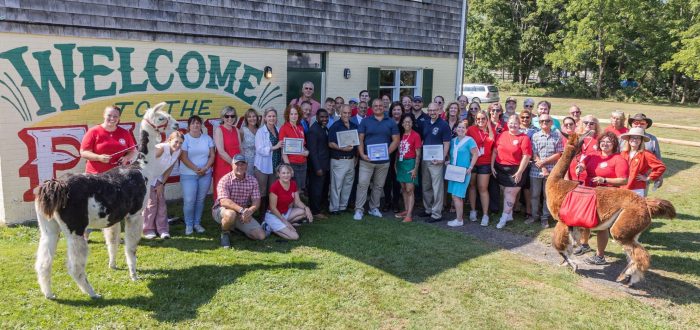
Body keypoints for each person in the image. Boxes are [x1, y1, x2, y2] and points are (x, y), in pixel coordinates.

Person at [80, 105, 138, 240]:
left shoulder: (124, 133)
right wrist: (99, 158)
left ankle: (114, 236)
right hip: (95, 177)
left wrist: (126, 158)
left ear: (119, 118)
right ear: (104, 115)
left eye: (115, 116)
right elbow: (83, 152)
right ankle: (85, 232)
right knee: (92, 206)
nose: (112, 118)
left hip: (117, 178)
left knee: (115, 206)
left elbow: (132, 150)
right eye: (109, 115)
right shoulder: (94, 132)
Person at [572, 131, 629, 264]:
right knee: (584, 220)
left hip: (607, 196)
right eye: (603, 141)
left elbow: (624, 180)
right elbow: (582, 164)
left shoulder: (619, 159)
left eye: (608, 142)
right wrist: (579, 168)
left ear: (614, 144)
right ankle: (584, 245)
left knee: (602, 226)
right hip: (589, 192)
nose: (605, 144)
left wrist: (604, 179)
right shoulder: (592, 155)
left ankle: (600, 256)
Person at [354, 98, 400, 220]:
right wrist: (362, 154)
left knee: (379, 186)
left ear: (384, 107)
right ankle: (359, 210)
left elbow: (396, 140)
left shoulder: (390, 122)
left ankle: (374, 208)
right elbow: (360, 139)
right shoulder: (365, 121)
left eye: (380, 105)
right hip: (366, 160)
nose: (378, 107)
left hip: (383, 162)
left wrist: (386, 153)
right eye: (375, 105)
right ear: (371, 107)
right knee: (363, 185)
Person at [213, 154, 266, 248]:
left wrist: (250, 211)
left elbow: (256, 201)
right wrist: (242, 210)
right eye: (237, 164)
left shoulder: (252, 180)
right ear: (232, 165)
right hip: (222, 210)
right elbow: (224, 202)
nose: (240, 167)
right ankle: (225, 233)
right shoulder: (225, 179)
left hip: (243, 212)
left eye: (242, 164)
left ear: (247, 165)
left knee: (260, 236)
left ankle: (235, 227)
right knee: (231, 214)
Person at [491, 114, 532, 229]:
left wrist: (519, 172)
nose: (513, 125)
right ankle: (509, 215)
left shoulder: (524, 138)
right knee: (506, 192)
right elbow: (495, 151)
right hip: (500, 168)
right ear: (507, 124)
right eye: (510, 123)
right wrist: (492, 165)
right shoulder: (502, 135)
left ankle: (503, 218)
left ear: (519, 124)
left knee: (510, 193)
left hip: (516, 170)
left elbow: (526, 156)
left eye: (515, 123)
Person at [142, 131, 184, 239]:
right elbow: (145, 162)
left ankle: (162, 229)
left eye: (180, 143)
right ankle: (148, 230)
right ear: (169, 140)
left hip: (159, 178)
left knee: (161, 204)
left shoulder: (178, 151)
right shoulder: (161, 148)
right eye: (176, 142)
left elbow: (169, 168)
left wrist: (161, 183)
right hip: (147, 177)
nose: (178, 145)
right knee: (151, 204)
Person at [180, 115, 216, 235]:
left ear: (201, 125)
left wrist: (205, 168)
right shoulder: (184, 139)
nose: (196, 125)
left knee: (200, 200)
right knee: (189, 200)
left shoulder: (207, 138)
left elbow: (212, 155)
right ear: (189, 126)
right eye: (193, 123)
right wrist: (197, 169)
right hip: (188, 174)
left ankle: (197, 223)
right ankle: (189, 225)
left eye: (198, 123)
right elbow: (183, 158)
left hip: (205, 174)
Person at [527, 114, 563, 228]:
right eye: (542, 121)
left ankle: (545, 217)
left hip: (551, 171)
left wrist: (545, 162)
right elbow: (534, 153)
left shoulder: (557, 136)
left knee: (547, 195)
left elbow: (559, 154)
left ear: (551, 122)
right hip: (536, 170)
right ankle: (534, 216)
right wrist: (542, 166)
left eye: (547, 121)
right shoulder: (535, 136)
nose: (544, 123)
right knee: (534, 194)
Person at [262, 164, 314, 240]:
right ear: (278, 174)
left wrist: (307, 208)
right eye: (283, 173)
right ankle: (270, 227)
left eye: (288, 172)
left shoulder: (293, 184)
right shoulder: (275, 186)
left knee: (303, 212)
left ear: (291, 173)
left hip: (284, 213)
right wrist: (285, 222)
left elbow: (297, 201)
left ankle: (279, 226)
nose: (286, 175)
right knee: (295, 236)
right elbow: (273, 208)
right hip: (273, 215)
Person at [420, 102, 451, 222]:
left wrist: (442, 158)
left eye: (435, 110)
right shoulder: (426, 123)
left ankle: (437, 213)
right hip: (426, 158)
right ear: (428, 111)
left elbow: (446, 143)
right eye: (430, 110)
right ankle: (428, 209)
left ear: (439, 111)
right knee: (426, 185)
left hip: (437, 160)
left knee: (437, 187)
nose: (432, 112)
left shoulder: (443, 125)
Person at [446, 121, 479, 227]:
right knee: (454, 195)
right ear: (455, 129)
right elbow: (451, 154)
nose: (460, 129)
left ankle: (459, 220)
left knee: (457, 196)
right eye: (459, 127)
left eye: (463, 127)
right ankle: (458, 218)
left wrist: (471, 167)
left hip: (463, 172)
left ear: (466, 129)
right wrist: (448, 161)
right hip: (453, 171)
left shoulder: (469, 140)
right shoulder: (452, 141)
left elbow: (475, 154)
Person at [328, 105, 358, 215]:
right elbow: (330, 143)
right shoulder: (335, 126)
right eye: (344, 113)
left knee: (347, 185)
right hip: (338, 160)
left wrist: (356, 157)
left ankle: (342, 206)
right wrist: (343, 149)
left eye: (349, 113)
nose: (347, 115)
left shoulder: (354, 126)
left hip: (351, 160)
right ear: (341, 113)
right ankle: (334, 208)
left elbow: (357, 143)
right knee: (336, 185)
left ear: (351, 113)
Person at [467, 110, 495, 225]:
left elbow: (493, 141)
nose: (480, 121)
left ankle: (485, 215)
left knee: (482, 188)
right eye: (478, 119)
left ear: (487, 119)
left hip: (485, 163)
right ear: (475, 119)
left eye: (483, 118)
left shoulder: (491, 131)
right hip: (472, 163)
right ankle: (473, 210)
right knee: (472, 186)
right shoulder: (471, 130)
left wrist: (488, 126)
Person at [620, 128, 666, 197]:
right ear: (629, 139)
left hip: (636, 189)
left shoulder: (646, 154)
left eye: (638, 138)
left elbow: (661, 167)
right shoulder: (623, 153)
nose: (635, 139)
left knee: (635, 207)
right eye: (632, 137)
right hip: (622, 187)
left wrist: (648, 178)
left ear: (641, 141)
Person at [254, 108, 284, 214]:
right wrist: (275, 147)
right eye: (269, 116)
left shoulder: (278, 129)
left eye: (274, 116)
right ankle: (261, 216)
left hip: (275, 165)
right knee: (262, 192)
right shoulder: (260, 132)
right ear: (265, 118)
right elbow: (259, 149)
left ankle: (270, 214)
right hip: (263, 166)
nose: (272, 118)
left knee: (272, 191)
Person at [395, 113, 422, 223]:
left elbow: (418, 154)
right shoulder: (400, 135)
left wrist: (415, 168)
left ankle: (409, 215)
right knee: (404, 189)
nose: (407, 123)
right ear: (402, 124)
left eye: (409, 122)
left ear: (412, 123)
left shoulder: (416, 135)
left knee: (410, 190)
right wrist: (395, 165)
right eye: (405, 122)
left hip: (410, 163)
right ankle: (406, 210)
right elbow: (398, 152)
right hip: (401, 163)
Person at [213, 106, 241, 201]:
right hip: (224, 164)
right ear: (223, 117)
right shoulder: (219, 130)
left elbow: (240, 148)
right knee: (223, 189)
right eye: (227, 116)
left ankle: (236, 212)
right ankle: (221, 212)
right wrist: (233, 163)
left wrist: (241, 162)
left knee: (236, 189)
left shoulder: (236, 130)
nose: (230, 118)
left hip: (236, 163)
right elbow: (221, 151)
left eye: (232, 116)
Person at [279, 105, 310, 192]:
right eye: (291, 114)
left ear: (299, 115)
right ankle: (291, 206)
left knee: (299, 190)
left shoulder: (300, 128)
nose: (294, 116)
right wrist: (288, 167)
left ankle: (297, 205)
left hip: (303, 163)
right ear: (287, 115)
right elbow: (283, 150)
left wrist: (307, 152)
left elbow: (302, 145)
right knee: (291, 190)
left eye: (296, 114)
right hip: (291, 163)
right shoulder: (284, 128)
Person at [307, 109, 331, 219]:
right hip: (318, 166)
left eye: (326, 117)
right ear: (316, 117)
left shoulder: (324, 128)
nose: (325, 119)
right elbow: (312, 151)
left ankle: (319, 208)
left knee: (321, 188)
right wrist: (317, 168)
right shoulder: (313, 130)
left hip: (325, 164)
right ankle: (315, 211)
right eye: (322, 117)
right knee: (316, 189)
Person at [383, 102, 404, 213]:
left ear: (402, 111)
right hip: (387, 152)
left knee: (397, 179)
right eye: (394, 109)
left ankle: (396, 203)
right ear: (391, 111)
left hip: (401, 154)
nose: (396, 112)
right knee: (387, 179)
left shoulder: (405, 123)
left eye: (399, 110)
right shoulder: (387, 122)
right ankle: (387, 202)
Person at [240, 108, 259, 175]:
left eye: (254, 116)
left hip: (259, 160)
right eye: (249, 117)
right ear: (246, 119)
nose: (252, 118)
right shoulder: (243, 131)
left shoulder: (260, 130)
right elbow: (239, 147)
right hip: (247, 161)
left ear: (257, 117)